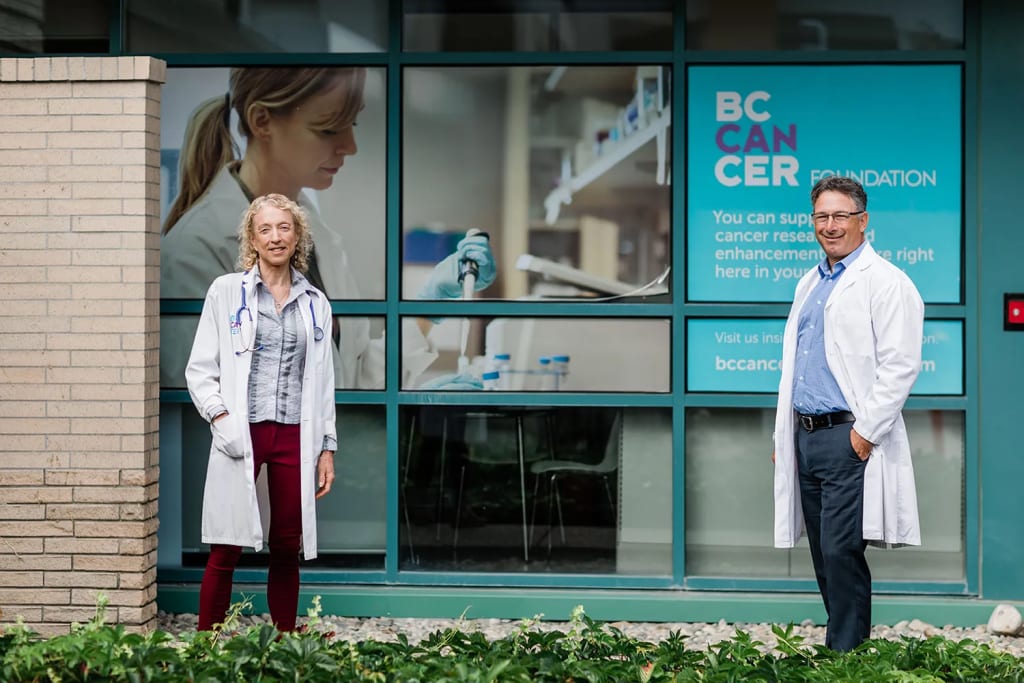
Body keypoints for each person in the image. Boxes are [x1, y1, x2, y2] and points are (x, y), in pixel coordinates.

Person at [161, 66, 494, 389]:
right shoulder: (196, 251)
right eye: (329, 128)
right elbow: (210, 410)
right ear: (262, 121)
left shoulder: (316, 238)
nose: (350, 146)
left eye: (352, 124)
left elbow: (351, 377)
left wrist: (428, 304)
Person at [772, 175, 924, 651]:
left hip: (847, 438)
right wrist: (784, 438)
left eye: (840, 216)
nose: (830, 225)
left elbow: (900, 365)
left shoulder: (887, 282)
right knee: (822, 551)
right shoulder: (810, 283)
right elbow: (798, 366)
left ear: (863, 220)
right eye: (821, 216)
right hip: (806, 436)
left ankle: (846, 658)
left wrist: (863, 435)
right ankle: (845, 648)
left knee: (841, 550)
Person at [186, 194, 337, 632]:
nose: (276, 237)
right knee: (227, 542)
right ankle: (205, 641)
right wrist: (220, 419)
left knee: (287, 544)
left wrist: (326, 448)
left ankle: (288, 637)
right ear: (252, 238)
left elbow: (323, 382)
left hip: (294, 434)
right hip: (242, 431)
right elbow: (200, 369)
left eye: (284, 228)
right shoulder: (226, 291)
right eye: (266, 229)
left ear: (297, 236)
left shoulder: (315, 303)